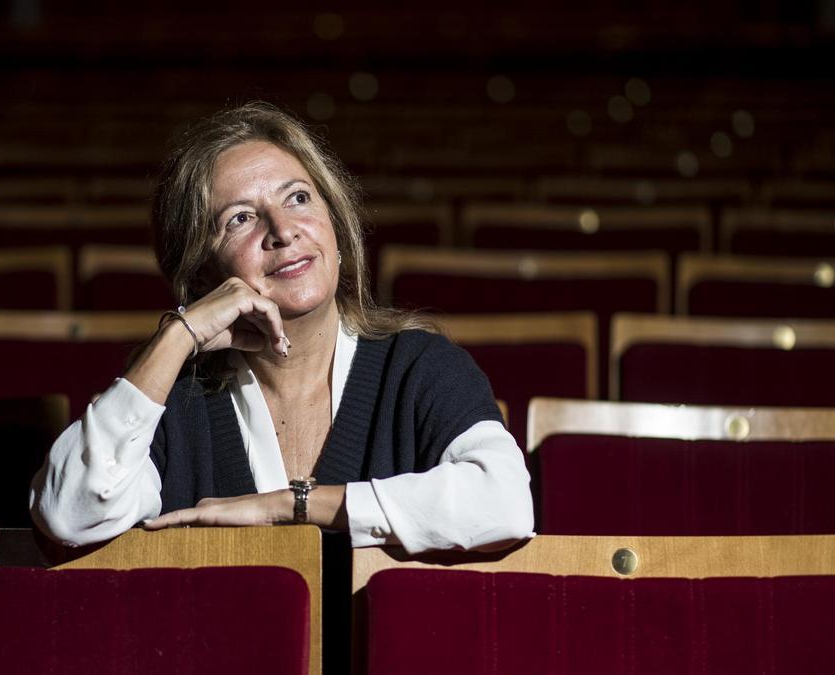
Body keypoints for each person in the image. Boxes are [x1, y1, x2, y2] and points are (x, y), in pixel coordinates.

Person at [30, 102, 533, 554]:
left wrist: (292, 506)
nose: (282, 230)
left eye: (297, 198)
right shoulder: (178, 404)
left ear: (333, 223)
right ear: (204, 272)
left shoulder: (418, 368)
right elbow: (70, 512)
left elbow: (504, 502)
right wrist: (179, 335)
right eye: (240, 219)